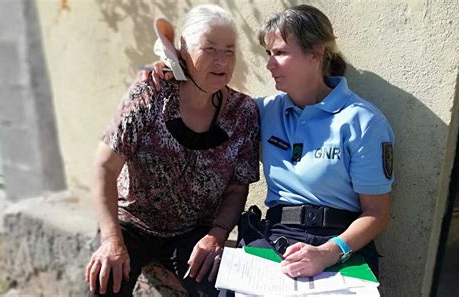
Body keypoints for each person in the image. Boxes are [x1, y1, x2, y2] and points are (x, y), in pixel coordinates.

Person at [147, 4, 394, 281]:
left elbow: (377, 213)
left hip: (339, 244)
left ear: (316, 53)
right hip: (276, 238)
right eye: (268, 54)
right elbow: (205, 94)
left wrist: (327, 252)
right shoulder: (261, 111)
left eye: (280, 53)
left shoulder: (363, 121)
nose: (269, 64)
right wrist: (171, 72)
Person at [84, 4, 259, 297]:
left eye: (229, 51)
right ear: (182, 51)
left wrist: (217, 235)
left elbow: (237, 188)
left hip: (194, 231)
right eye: (210, 48)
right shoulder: (150, 94)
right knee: (103, 285)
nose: (222, 60)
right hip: (133, 224)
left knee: (224, 290)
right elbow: (104, 167)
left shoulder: (243, 113)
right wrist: (111, 239)